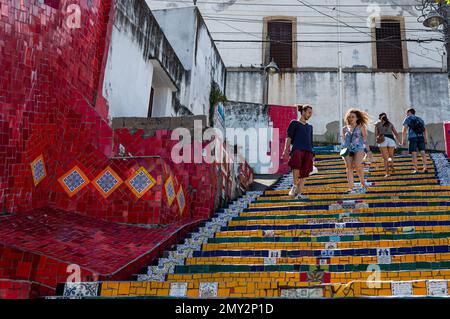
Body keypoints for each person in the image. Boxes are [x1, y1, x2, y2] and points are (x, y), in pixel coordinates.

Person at [282, 104, 314, 199]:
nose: (310, 114)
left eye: (311, 113)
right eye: (308, 112)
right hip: (297, 149)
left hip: (308, 151)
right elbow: (289, 137)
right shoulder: (294, 123)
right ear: (303, 112)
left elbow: (311, 141)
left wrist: (313, 155)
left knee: (305, 173)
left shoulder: (310, 127)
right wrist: (286, 150)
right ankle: (295, 186)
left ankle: (299, 194)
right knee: (296, 167)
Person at [341, 108, 372, 193]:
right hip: (347, 149)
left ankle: (363, 183)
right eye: (349, 117)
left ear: (357, 118)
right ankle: (351, 188)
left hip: (359, 148)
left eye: (353, 117)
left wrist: (368, 151)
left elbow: (365, 139)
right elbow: (344, 140)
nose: (351, 118)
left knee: (358, 165)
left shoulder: (361, 126)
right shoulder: (344, 128)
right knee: (349, 168)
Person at [401, 108, 428, 174]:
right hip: (421, 137)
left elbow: (404, 130)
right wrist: (426, 139)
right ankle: (425, 168)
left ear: (409, 112)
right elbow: (425, 130)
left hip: (412, 138)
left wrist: (403, 140)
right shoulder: (420, 119)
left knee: (414, 154)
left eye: (406, 113)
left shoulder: (408, 118)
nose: (406, 114)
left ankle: (416, 169)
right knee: (423, 152)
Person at [375, 113, 400, 177]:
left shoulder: (377, 124)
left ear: (380, 118)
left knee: (385, 158)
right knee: (390, 156)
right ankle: (391, 163)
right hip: (391, 140)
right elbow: (396, 134)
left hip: (383, 139)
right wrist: (399, 142)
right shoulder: (390, 124)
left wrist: (377, 140)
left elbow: (376, 134)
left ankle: (387, 173)